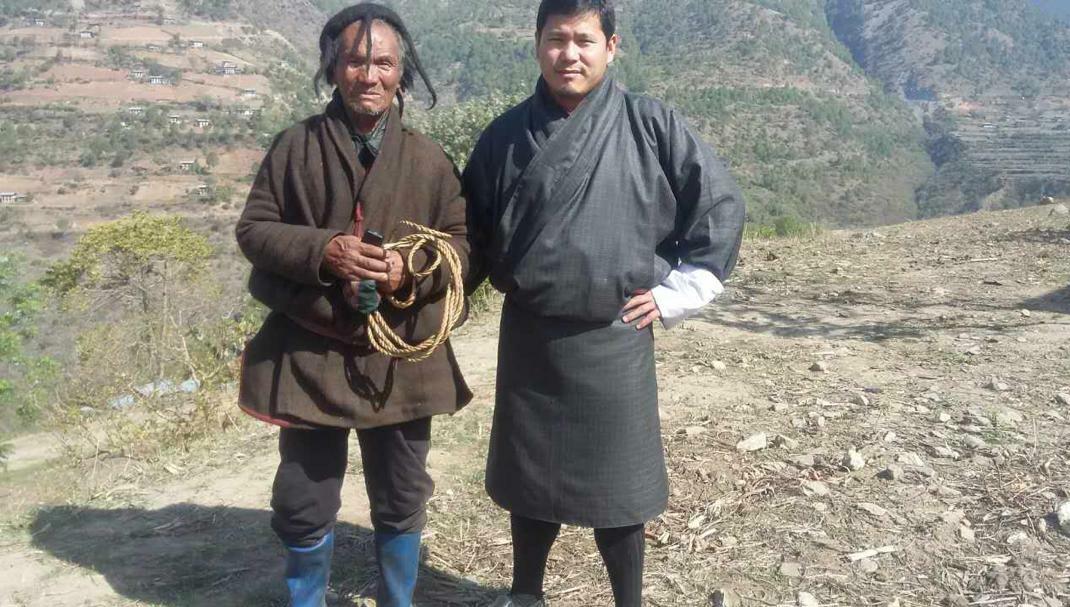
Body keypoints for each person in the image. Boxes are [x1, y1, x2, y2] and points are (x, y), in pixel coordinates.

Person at [463, 1, 746, 605]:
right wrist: (426, 284)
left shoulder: (651, 124)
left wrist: (676, 293)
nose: (569, 54)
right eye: (556, 39)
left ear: (611, 47)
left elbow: (719, 206)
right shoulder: (505, 136)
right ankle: (525, 594)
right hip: (531, 338)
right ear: (537, 43)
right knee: (530, 482)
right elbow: (470, 234)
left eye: (584, 40)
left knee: (620, 492)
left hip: (613, 337)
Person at [234, 4, 471, 606]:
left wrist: (408, 269)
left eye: (384, 63)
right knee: (303, 498)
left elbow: (463, 247)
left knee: (402, 493)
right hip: (310, 350)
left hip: (400, 356)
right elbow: (254, 230)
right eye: (356, 61)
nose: (370, 75)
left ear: (402, 72)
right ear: (334, 68)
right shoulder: (295, 147)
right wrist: (326, 250)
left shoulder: (429, 160)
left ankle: (397, 599)